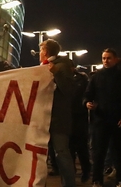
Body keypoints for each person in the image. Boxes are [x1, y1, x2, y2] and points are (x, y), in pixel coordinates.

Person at [84, 48, 121, 187]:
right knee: (99, 153)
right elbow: (88, 94)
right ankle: (97, 180)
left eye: (109, 58)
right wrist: (87, 103)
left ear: (115, 59)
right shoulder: (96, 77)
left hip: (118, 120)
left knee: (119, 152)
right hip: (101, 120)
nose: (106, 61)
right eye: (104, 58)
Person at [39, 39, 76, 187]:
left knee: (61, 153)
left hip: (58, 120)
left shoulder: (60, 67)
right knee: (42, 155)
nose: (40, 54)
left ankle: (69, 184)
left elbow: (68, 90)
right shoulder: (43, 68)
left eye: (41, 50)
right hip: (44, 118)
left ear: (46, 52)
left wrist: (56, 73)